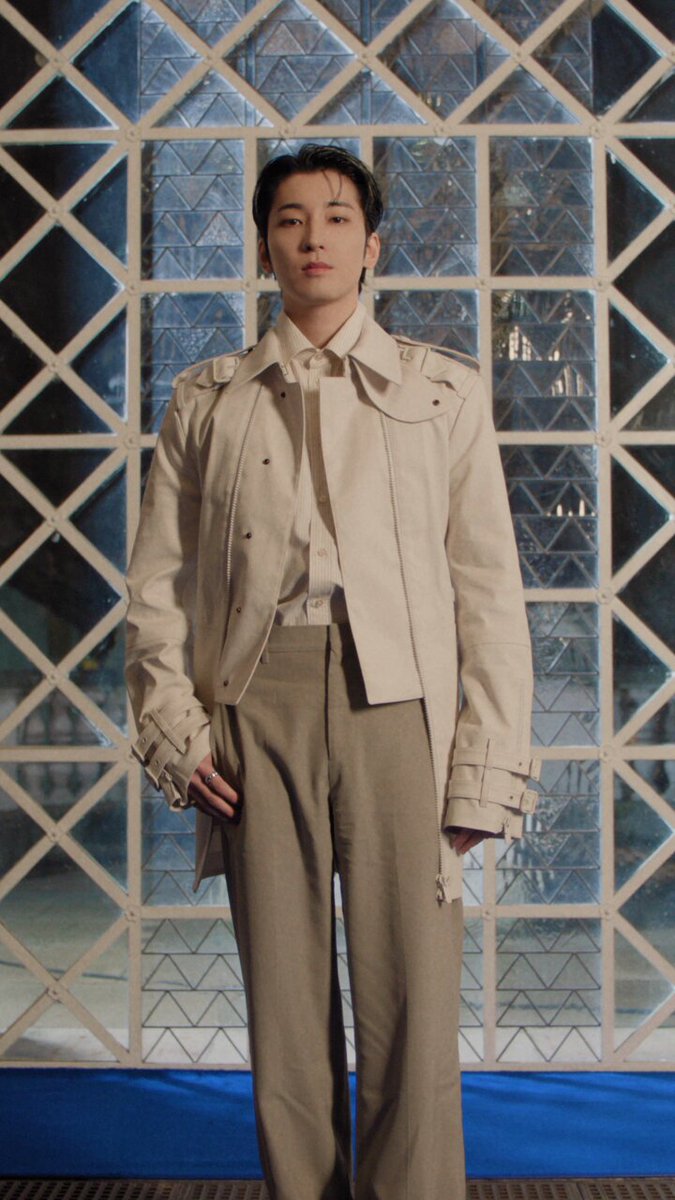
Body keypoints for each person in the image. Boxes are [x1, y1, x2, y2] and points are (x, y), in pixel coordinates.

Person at [126, 143, 539, 1200]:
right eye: (290, 219)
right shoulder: (207, 401)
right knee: (285, 1009)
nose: (314, 237)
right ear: (264, 247)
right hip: (252, 710)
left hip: (400, 710)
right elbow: (158, 589)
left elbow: (489, 592)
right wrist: (178, 734)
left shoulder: (443, 392)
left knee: (413, 1003)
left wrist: (483, 768)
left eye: (338, 217)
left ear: (373, 247)